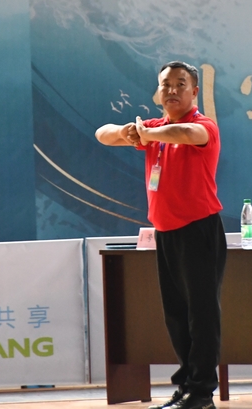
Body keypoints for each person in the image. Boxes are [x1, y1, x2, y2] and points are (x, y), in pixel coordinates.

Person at [95, 61, 226, 409]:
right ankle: (186, 386)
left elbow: (187, 135)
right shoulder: (151, 128)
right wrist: (128, 131)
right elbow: (102, 133)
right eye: (165, 84)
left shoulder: (203, 126)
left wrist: (148, 135)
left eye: (180, 84)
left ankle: (202, 393)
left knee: (201, 315)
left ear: (194, 92)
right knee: (176, 316)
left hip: (199, 230)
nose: (172, 90)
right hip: (166, 233)